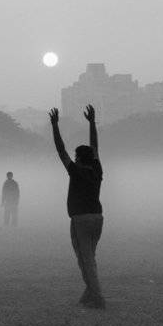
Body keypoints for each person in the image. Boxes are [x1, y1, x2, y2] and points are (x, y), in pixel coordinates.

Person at [50, 105, 105, 308]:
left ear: (78, 158)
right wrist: (91, 123)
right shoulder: (97, 170)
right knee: (89, 257)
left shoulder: (76, 170)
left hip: (80, 219)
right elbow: (95, 147)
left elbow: (60, 150)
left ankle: (97, 297)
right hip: (97, 218)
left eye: (75, 157)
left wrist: (55, 126)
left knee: (85, 259)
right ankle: (89, 294)